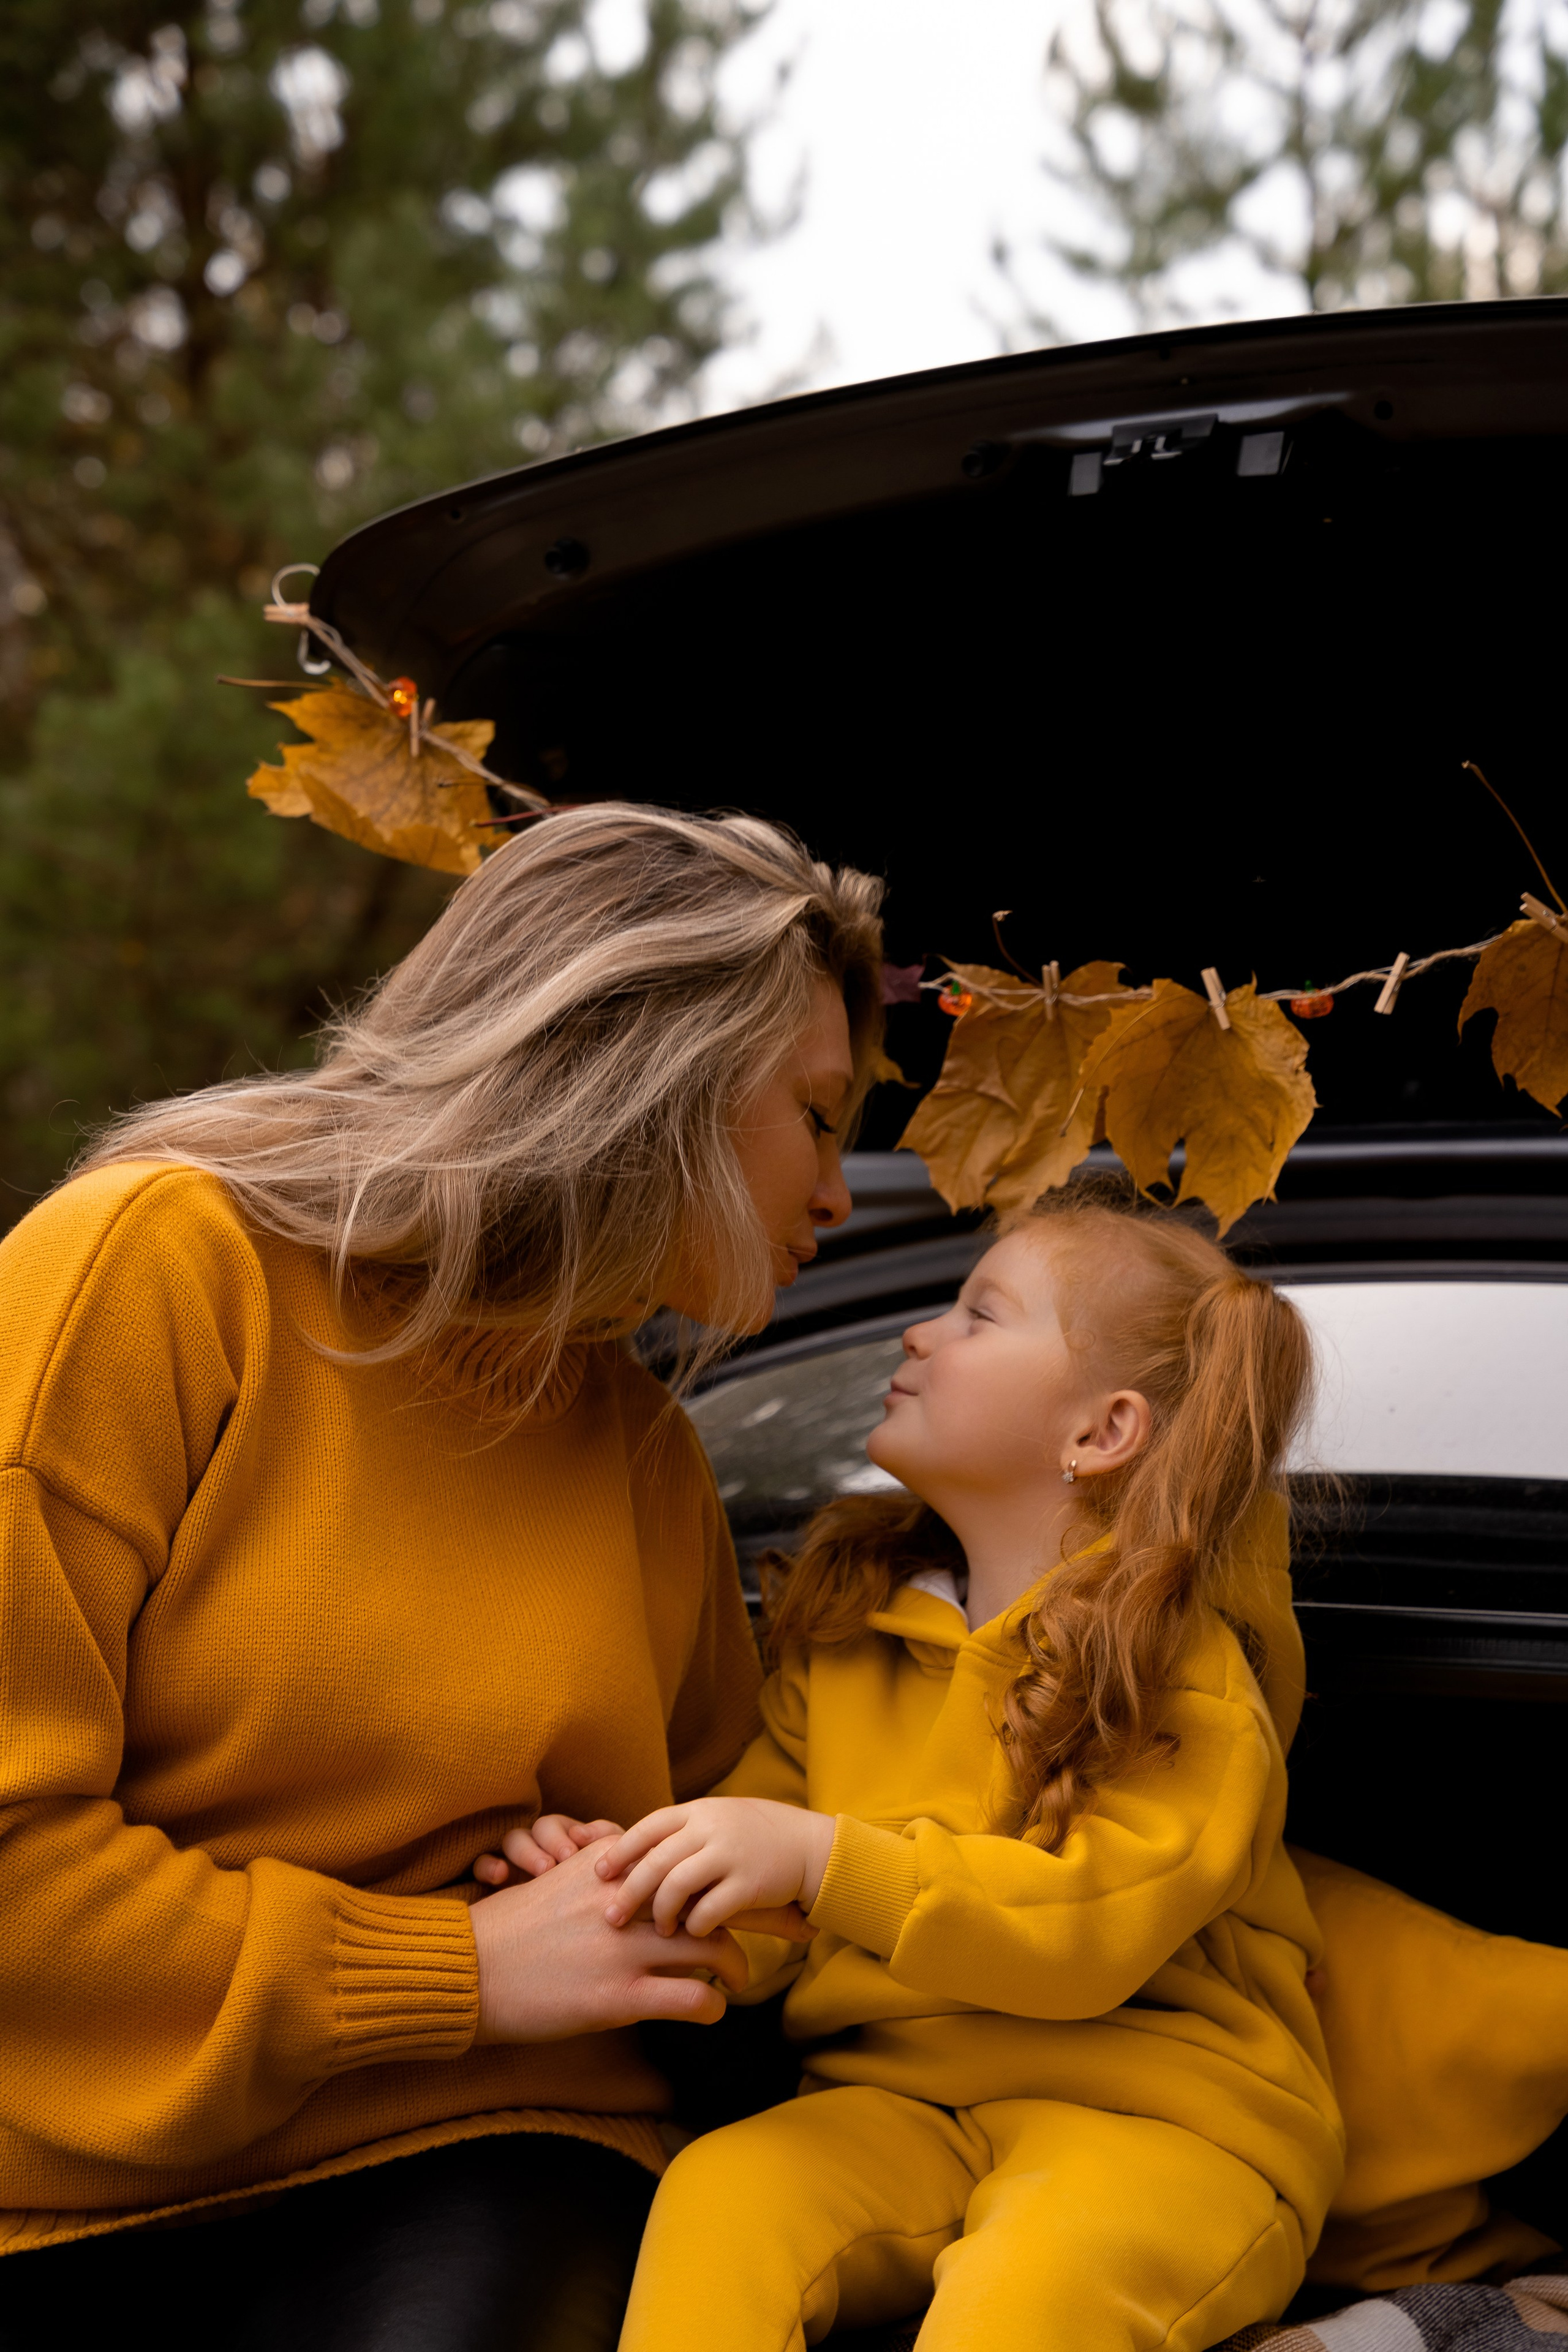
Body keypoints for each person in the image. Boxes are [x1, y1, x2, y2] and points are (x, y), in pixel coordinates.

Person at [0, 805, 886, 2351]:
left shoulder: (639, 1451)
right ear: (653, 1061)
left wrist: (658, 1899)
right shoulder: (156, 1268)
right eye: (819, 1118)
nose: (840, 1197)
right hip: (63, 2187)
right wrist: (458, 1967)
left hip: (502, 2164)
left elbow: (747, 1894)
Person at [489, 1179, 1347, 2351]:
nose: (917, 1330)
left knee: (1029, 2300)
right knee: (720, 2195)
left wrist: (820, 1856)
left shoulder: (1184, 1683)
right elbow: (770, 1904)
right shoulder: (848, 1640)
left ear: (1101, 1433)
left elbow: (1081, 1933)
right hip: (891, 2101)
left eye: (979, 1314)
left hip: (1167, 2127)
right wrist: (639, 1882)